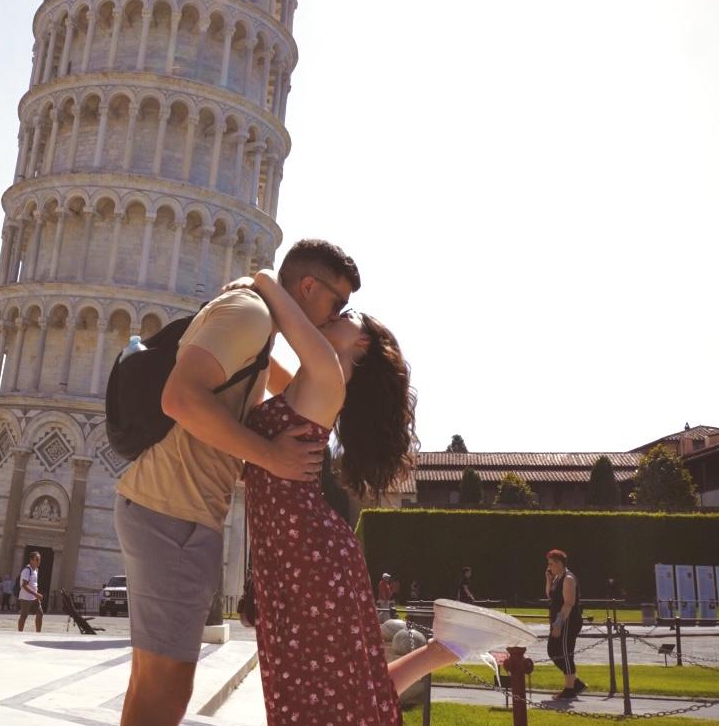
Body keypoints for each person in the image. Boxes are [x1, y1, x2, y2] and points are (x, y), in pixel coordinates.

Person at [243, 269, 532, 725]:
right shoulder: (313, 382)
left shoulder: (327, 372)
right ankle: (447, 647)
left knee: (317, 689)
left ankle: (447, 648)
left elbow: (278, 301)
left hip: (306, 552)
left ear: (361, 343)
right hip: (295, 548)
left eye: (349, 314)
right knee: (344, 685)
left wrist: (257, 278)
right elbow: (264, 368)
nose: (337, 314)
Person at [114, 239, 362, 726]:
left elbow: (285, 386)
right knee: (167, 686)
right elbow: (180, 399)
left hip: (171, 510)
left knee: (152, 681)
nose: (336, 315)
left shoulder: (257, 320)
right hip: (174, 512)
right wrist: (270, 456)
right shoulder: (250, 314)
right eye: (337, 303)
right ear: (308, 286)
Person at [545, 549, 586, 699]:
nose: (549, 567)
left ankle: (569, 690)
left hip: (567, 621)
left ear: (560, 563)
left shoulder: (568, 578)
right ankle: (576, 683)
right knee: (552, 651)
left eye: (551, 564)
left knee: (565, 653)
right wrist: (549, 580)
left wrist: (558, 624)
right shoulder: (557, 578)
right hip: (558, 620)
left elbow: (568, 603)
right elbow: (550, 595)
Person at [18, 552, 44, 632]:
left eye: (39, 559)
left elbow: (33, 584)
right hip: (26, 597)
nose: (39, 561)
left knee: (40, 613)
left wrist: (36, 595)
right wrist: (36, 594)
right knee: (24, 616)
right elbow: (24, 585)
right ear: (31, 560)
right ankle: (20, 632)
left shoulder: (36, 570)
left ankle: (38, 633)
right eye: (37, 559)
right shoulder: (27, 570)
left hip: (34, 598)